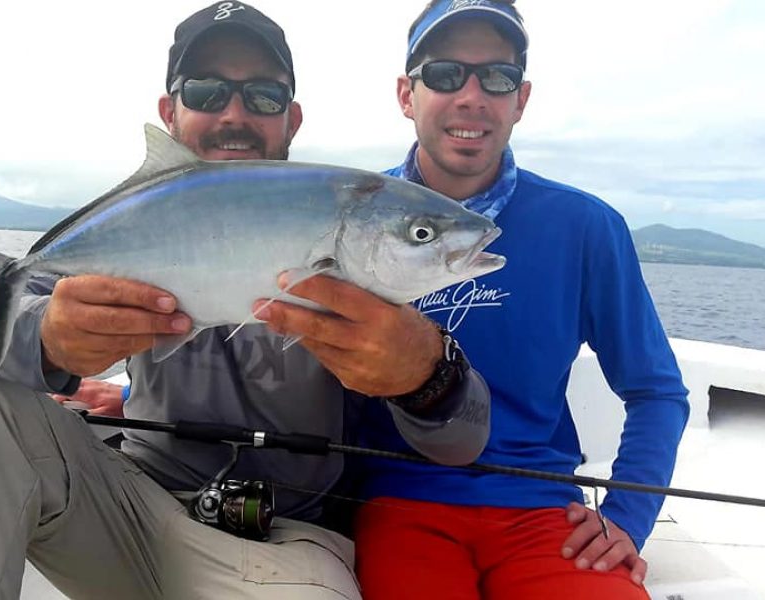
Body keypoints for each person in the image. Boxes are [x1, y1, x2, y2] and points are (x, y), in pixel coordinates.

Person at [0, 3, 492, 599]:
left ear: (292, 118)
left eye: (262, 95)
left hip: (286, 540)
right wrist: (48, 338)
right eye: (206, 91)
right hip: (126, 507)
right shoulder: (130, 224)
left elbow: (460, 440)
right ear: (169, 112)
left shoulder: (362, 247)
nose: (234, 114)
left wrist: (426, 375)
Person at [258, 2, 690, 599]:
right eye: (444, 75)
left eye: (497, 77)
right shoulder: (346, 219)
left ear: (522, 98)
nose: (472, 96)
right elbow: (278, 348)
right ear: (407, 94)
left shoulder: (585, 226)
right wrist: (132, 393)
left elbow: (657, 390)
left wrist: (627, 516)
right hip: (396, 504)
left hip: (545, 513)